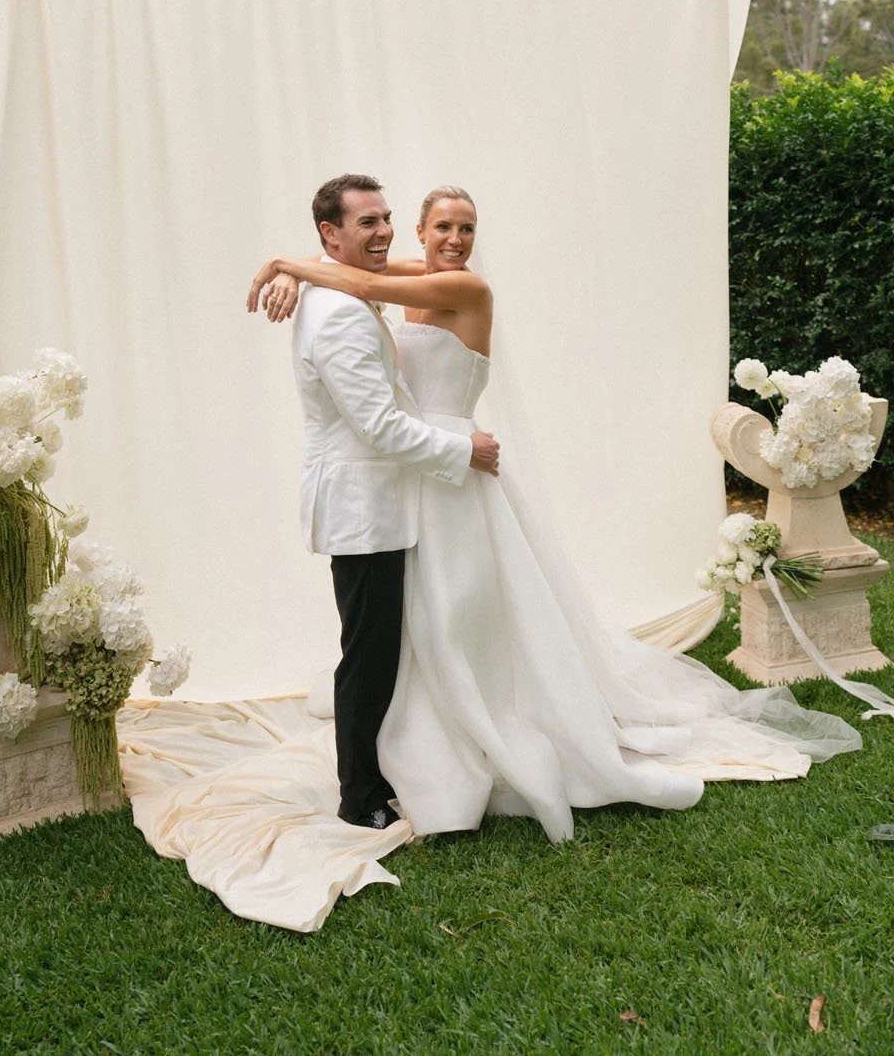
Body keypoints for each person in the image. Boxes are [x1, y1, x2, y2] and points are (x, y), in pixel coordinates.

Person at [249, 185, 861, 841]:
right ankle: (413, 744)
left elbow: (347, 274)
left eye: (467, 228)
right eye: (442, 228)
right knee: (410, 630)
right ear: (421, 233)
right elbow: (353, 274)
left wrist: (285, 262)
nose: (455, 240)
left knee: (458, 616)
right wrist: (292, 263)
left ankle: (475, 735)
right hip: (414, 478)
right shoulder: (395, 279)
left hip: (453, 470)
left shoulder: (466, 289)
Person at [277, 173, 501, 831]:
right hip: (367, 500)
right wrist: (463, 452)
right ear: (331, 234)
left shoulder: (352, 288)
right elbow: (377, 425)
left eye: (385, 219)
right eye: (366, 222)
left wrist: (299, 270)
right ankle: (360, 794)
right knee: (369, 654)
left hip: (399, 492)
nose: (380, 232)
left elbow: (372, 279)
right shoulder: (342, 309)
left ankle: (403, 762)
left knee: (403, 638)